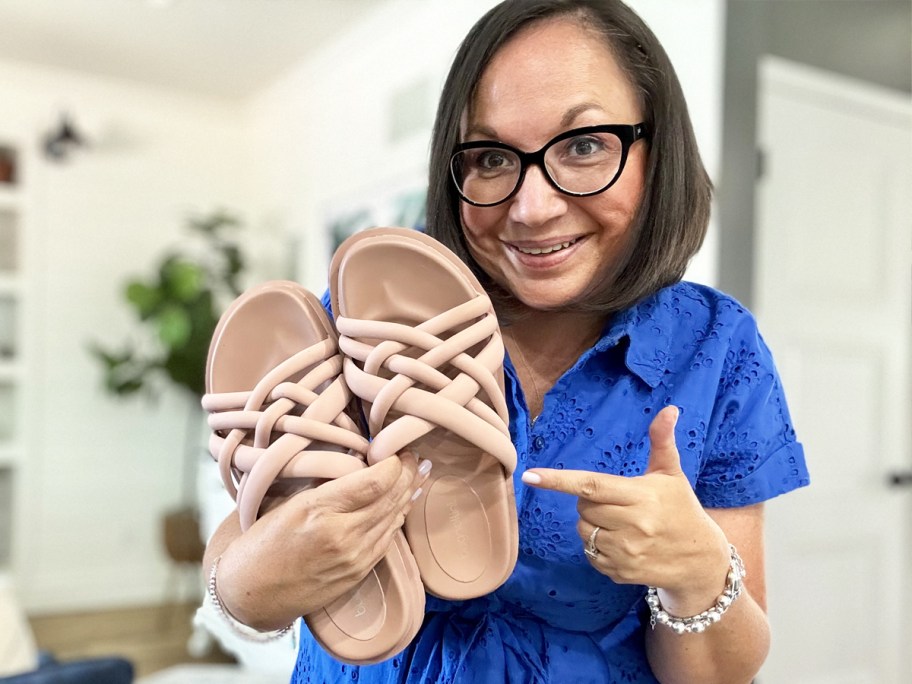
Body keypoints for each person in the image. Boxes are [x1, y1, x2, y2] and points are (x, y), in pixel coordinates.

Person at [202, 1, 810, 682]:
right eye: (491, 157)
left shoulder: (719, 349)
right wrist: (250, 586)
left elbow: (722, 675)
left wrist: (696, 572)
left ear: (656, 149)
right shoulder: (371, 320)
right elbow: (245, 544)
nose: (532, 207)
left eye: (583, 146)